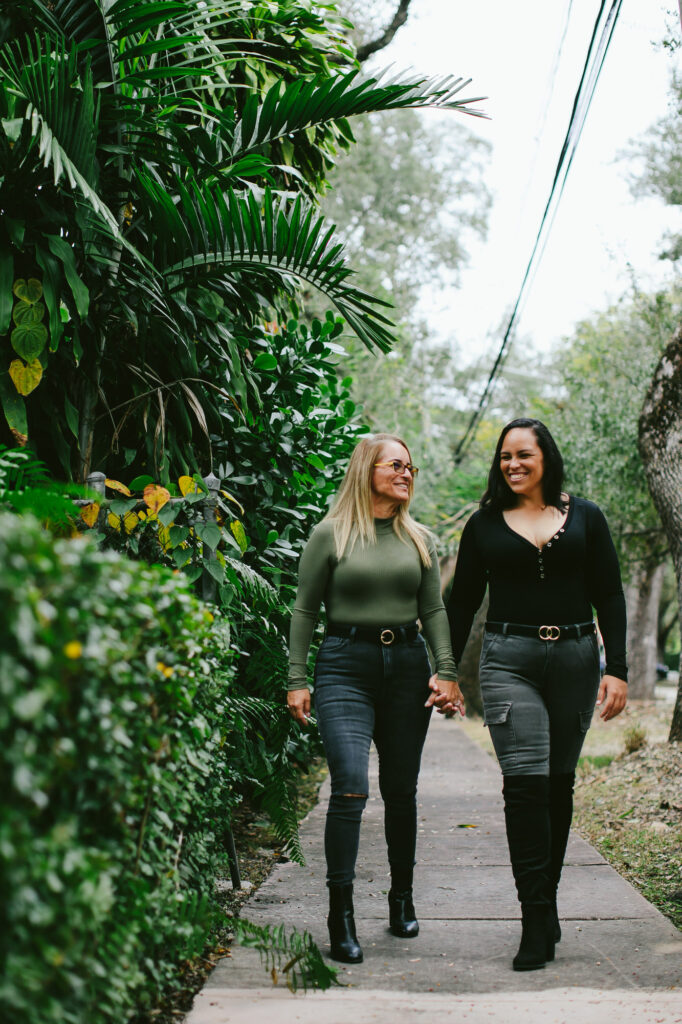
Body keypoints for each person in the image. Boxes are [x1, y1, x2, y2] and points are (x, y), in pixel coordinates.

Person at [443, 417, 627, 972]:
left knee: (558, 787)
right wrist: (446, 671)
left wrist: (615, 669)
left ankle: (545, 909)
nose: (513, 464)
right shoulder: (483, 525)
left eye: (523, 454)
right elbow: (461, 602)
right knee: (525, 786)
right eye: (504, 457)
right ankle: (535, 918)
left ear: (547, 456)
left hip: (575, 659)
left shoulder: (588, 517)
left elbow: (611, 596)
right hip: (510, 660)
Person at [287, 433, 464, 964]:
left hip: (407, 668)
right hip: (345, 665)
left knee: (401, 789)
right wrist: (298, 677)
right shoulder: (331, 534)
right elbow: (304, 610)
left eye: (410, 466)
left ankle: (401, 897)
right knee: (349, 787)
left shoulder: (419, 539)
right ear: (367, 469)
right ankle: (340, 914)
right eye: (395, 465)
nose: (406, 473)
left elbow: (433, 612)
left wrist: (446, 671)